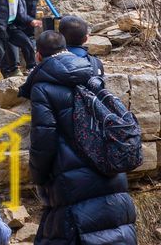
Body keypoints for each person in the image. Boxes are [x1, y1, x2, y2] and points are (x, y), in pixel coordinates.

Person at [19, 32, 137, 244]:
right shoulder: (91, 71)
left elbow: (43, 139)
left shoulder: (42, 86)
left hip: (72, 183)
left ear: (38, 56)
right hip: (109, 171)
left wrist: (38, 177)